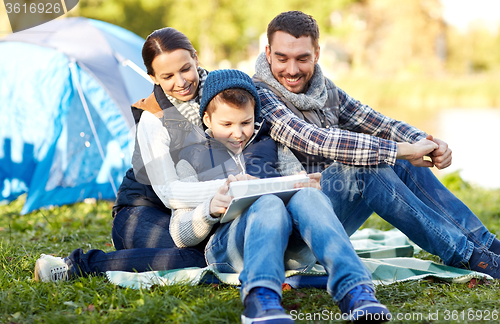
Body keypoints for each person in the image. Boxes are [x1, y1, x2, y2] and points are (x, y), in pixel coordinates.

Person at [252, 10, 500, 279]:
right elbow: (316, 140)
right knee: (365, 166)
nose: (292, 70)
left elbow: (377, 122)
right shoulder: (258, 96)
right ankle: (470, 257)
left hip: (326, 218)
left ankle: (486, 244)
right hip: (289, 235)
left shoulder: (323, 89)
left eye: (302, 58)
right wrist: (399, 150)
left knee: (395, 155)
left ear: (317, 54)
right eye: (282, 58)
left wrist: (424, 142)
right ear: (268, 53)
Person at [169, 68, 391, 323]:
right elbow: (179, 234)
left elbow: (296, 183)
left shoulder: (272, 145)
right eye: (226, 124)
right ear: (207, 119)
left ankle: (356, 292)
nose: (238, 133)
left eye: (246, 122)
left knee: (308, 197)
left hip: (288, 246)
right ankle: (260, 299)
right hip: (229, 249)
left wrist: (307, 185)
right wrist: (208, 210)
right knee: (268, 202)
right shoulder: (190, 159)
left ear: (255, 115)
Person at [34, 27, 225, 281]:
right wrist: (226, 189)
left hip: (194, 212)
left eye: (185, 69)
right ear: (153, 77)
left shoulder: (222, 95)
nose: (181, 82)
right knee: (199, 256)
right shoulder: (152, 118)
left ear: (196, 58)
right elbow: (169, 193)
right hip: (142, 213)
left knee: (221, 249)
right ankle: (76, 265)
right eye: (168, 76)